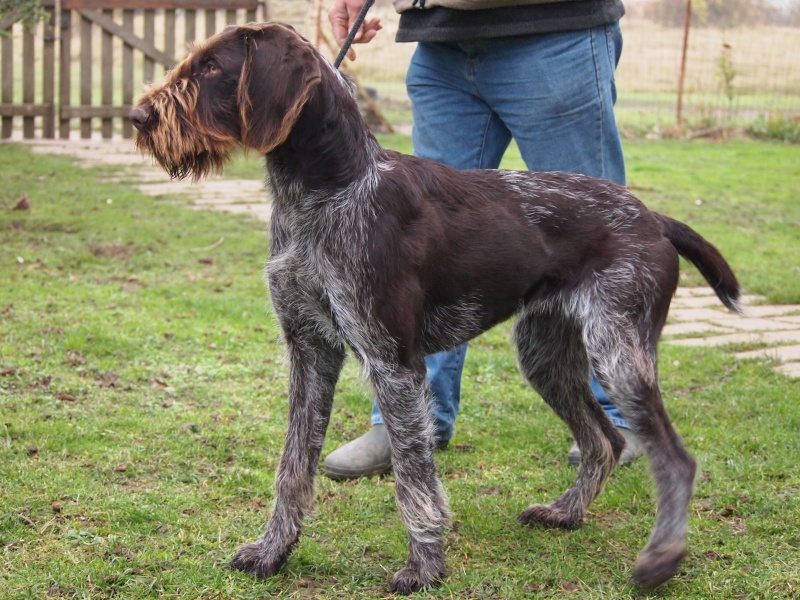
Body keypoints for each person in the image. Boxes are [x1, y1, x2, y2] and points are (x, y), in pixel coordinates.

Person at [323, 0, 644, 480]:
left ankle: (620, 412)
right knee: (421, 246)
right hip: (442, 41)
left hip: (555, 32)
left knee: (598, 239)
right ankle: (408, 420)